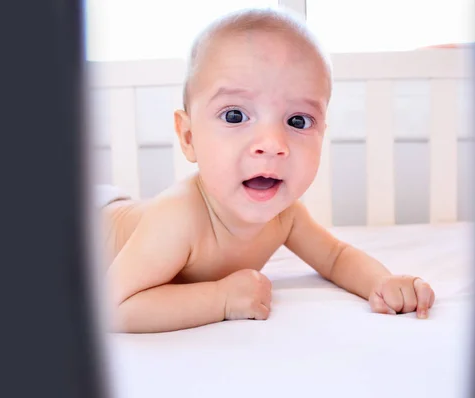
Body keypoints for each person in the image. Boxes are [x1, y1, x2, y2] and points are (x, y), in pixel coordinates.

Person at [101, 7, 435, 333]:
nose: (272, 144)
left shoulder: (285, 216)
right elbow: (112, 308)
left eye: (298, 121)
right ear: (188, 137)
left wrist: (381, 281)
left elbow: (335, 257)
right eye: (235, 116)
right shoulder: (179, 217)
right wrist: (221, 299)